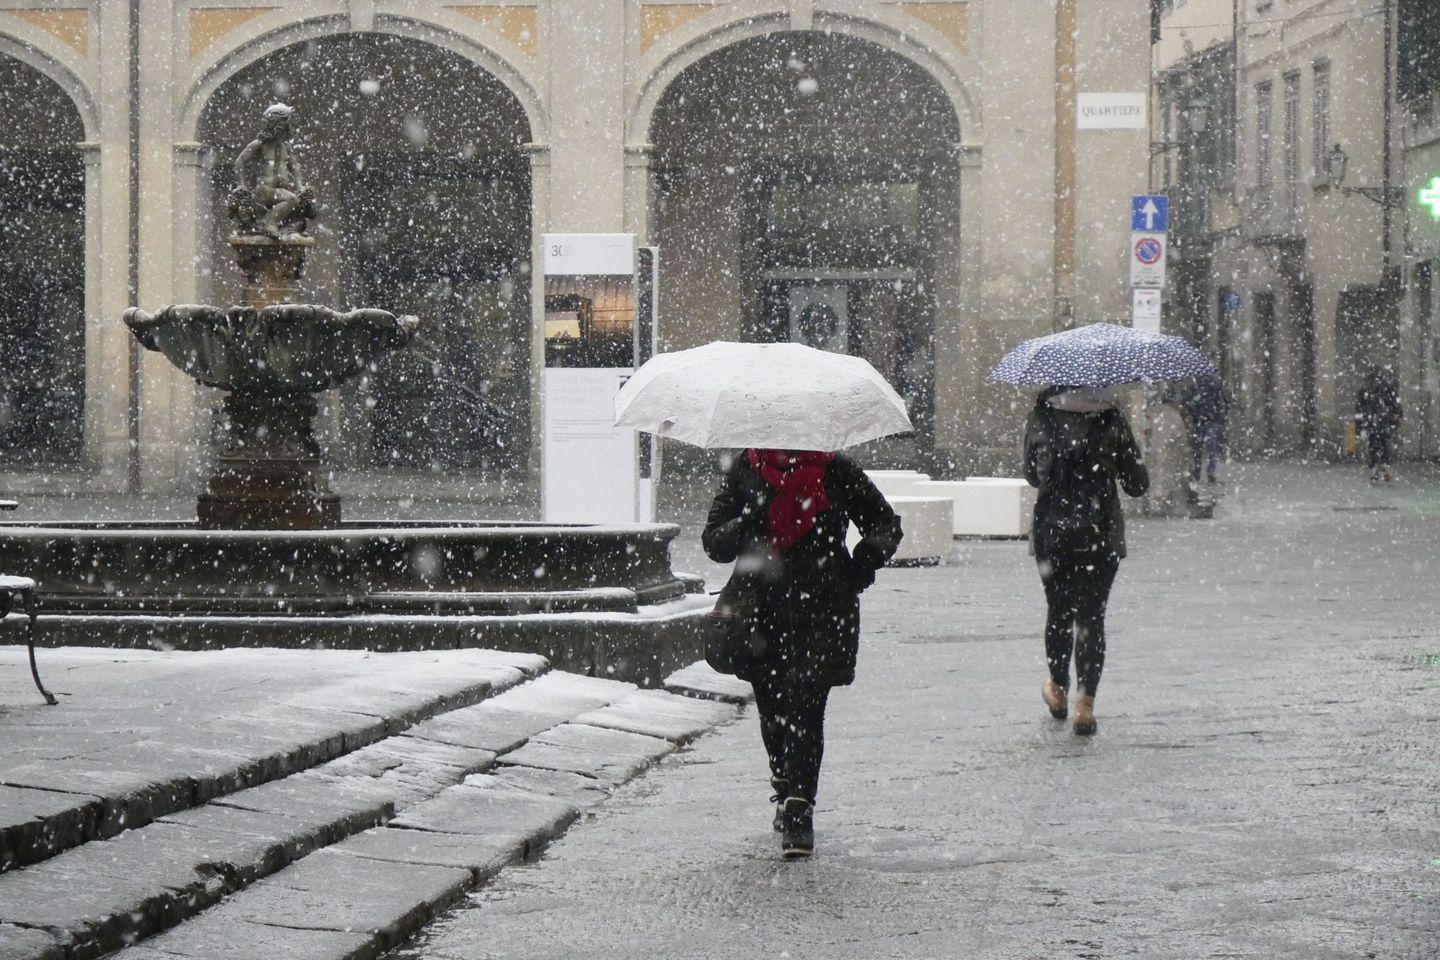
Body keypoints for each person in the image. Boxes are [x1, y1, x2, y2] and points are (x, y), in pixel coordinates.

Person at [703, 448, 901, 859]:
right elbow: (715, 542)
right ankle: (783, 782)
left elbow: (885, 524)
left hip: (824, 608)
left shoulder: (836, 469)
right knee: (773, 711)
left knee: (808, 707)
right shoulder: (747, 467)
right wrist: (751, 519)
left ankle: (799, 808)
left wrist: (860, 566)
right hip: (760, 611)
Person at [1023, 386, 1149, 736]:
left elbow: (1032, 475)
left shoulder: (1040, 417)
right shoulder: (1111, 418)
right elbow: (1137, 484)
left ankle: (1058, 690)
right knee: (1092, 616)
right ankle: (1085, 705)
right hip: (1101, 533)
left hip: (1053, 534)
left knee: (1059, 611)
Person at [228, 103, 317, 238]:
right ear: (279, 124)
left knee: (298, 202)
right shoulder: (260, 145)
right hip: (265, 191)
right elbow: (239, 162)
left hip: (279, 194)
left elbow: (295, 168)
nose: (291, 128)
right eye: (289, 124)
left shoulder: (286, 147)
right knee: (292, 199)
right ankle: (269, 222)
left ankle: (273, 222)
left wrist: (300, 186)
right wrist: (242, 185)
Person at [1355, 367, 1402, 483]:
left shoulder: (1366, 390)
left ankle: (1374, 468)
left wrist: (1360, 427)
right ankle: (1384, 466)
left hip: (1372, 423)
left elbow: (1359, 410)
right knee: (1385, 445)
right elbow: (1396, 407)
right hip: (1385, 423)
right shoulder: (1388, 389)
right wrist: (1395, 422)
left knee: (1373, 446)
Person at [1178, 372, 1227, 485]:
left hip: (1204, 419)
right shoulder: (1207, 385)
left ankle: (1200, 471)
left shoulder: (1199, 385)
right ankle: (1205, 471)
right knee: (1206, 447)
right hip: (1205, 419)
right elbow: (1218, 403)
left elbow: (1188, 402)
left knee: (1202, 447)